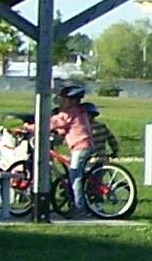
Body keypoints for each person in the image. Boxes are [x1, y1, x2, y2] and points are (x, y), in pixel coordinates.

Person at [46, 85, 108, 215]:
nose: (61, 102)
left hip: (81, 147)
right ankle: (81, 201)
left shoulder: (69, 113)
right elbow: (63, 129)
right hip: (85, 146)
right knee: (77, 173)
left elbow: (52, 122)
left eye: (64, 99)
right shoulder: (79, 111)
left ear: (72, 101)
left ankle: (79, 207)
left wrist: (29, 127)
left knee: (75, 175)